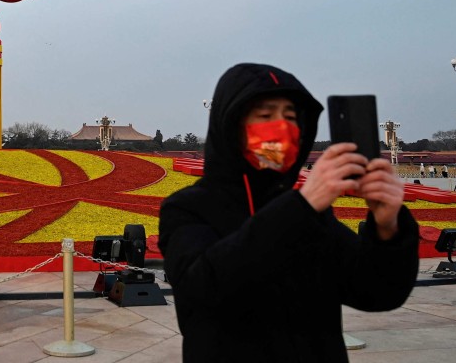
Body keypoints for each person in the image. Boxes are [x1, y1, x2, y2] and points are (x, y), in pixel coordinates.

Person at [158, 63, 419, 362]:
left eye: (291, 117)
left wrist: (387, 229)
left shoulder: (311, 212)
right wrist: (301, 207)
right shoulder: (188, 207)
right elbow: (202, 290)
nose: (281, 127)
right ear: (231, 125)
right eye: (266, 115)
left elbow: (376, 293)